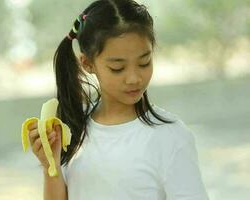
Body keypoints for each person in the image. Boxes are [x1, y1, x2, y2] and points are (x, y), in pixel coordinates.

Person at [27, 0, 209, 199]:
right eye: (117, 68)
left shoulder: (171, 137)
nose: (134, 78)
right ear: (88, 64)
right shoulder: (72, 128)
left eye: (144, 62)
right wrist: (50, 165)